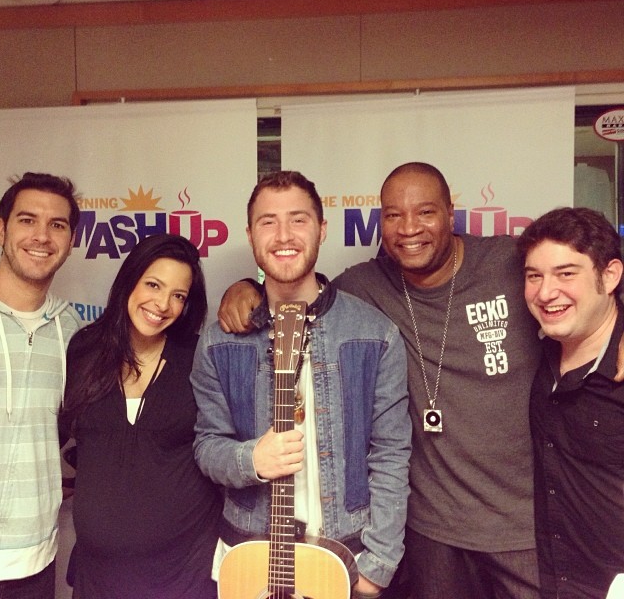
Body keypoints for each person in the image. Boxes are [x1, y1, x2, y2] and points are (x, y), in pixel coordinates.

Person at [218, 162, 541, 599]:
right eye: (393, 215)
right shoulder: (366, 289)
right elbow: (294, 284)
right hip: (432, 533)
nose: (409, 229)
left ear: (450, 213)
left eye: (425, 212)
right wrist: (246, 287)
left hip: (522, 526)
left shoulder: (509, 261)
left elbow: (586, 280)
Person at [192, 170, 411, 598]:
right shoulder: (219, 338)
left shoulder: (373, 332)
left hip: (345, 555)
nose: (283, 235)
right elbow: (206, 445)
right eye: (268, 222)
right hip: (249, 554)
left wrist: (377, 564)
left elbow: (391, 453)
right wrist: (250, 459)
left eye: (299, 219)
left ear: (322, 229)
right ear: (250, 234)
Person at [59, 233, 222, 599]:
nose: (163, 304)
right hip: (97, 579)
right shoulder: (83, 348)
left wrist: (246, 288)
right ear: (129, 279)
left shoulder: (199, 356)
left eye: (178, 295)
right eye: (153, 284)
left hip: (185, 576)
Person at [517, 207, 624, 599]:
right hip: (559, 582)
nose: (546, 292)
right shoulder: (541, 353)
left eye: (566, 273)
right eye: (534, 276)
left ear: (609, 275)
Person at [0, 172, 81, 598]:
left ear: (71, 239)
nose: (42, 236)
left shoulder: (74, 331)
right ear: (1, 228)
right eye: (27, 220)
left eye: (57, 225)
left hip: (33, 561)